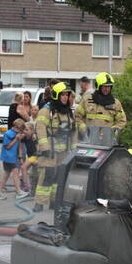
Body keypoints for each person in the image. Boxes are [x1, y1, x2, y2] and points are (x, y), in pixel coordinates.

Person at [34, 81, 75, 210]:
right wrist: (44, 148)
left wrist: (74, 150)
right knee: (47, 176)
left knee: (59, 177)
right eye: (62, 95)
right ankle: (39, 203)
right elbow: (40, 128)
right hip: (50, 151)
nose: (65, 97)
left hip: (63, 152)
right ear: (57, 95)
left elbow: (73, 131)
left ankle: (53, 201)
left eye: (67, 95)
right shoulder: (47, 110)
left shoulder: (67, 111)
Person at [76, 72, 126, 139]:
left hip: (107, 141)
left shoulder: (115, 103)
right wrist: (83, 129)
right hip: (88, 140)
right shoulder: (87, 100)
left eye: (109, 86)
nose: (107, 89)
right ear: (98, 86)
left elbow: (121, 121)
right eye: (104, 86)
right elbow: (77, 116)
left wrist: (111, 133)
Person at [0, 118, 27, 200]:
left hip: (13, 157)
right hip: (8, 157)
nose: (21, 133)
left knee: (6, 174)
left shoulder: (17, 134)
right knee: (15, 173)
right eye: (20, 130)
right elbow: (7, 146)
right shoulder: (8, 134)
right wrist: (15, 139)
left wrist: (20, 157)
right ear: (16, 127)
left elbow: (19, 146)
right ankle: (18, 191)